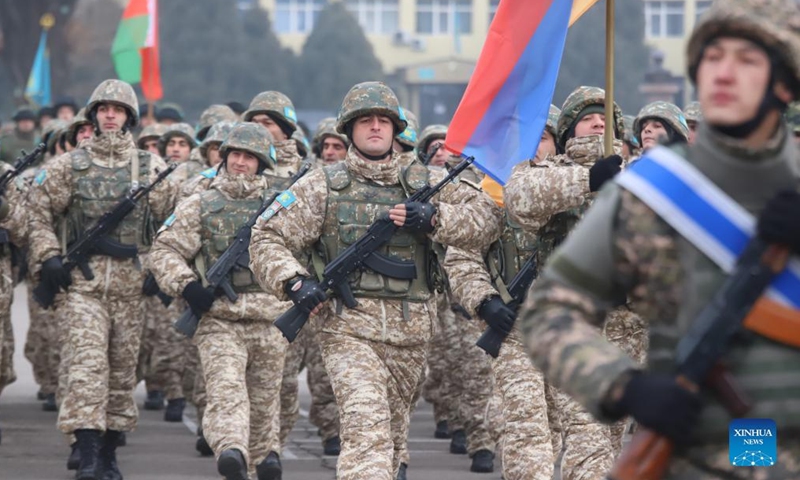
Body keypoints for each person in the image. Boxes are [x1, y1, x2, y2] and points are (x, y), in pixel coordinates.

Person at [519, 1, 800, 478]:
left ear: (784, 82)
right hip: (688, 450)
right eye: (712, 58)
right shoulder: (654, 192)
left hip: (773, 443)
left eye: (746, 60)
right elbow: (549, 313)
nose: (723, 74)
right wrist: (623, 387)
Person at [249, 81, 502, 480]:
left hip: (411, 331)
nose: (375, 127)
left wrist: (436, 219)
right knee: (366, 430)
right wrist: (294, 282)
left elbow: (487, 219)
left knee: (394, 438)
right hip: (347, 330)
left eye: (383, 120)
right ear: (349, 129)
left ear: (395, 129)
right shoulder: (323, 185)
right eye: (365, 120)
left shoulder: (426, 180)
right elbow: (267, 236)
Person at [27, 79, 177, 480]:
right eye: (104, 109)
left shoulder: (150, 169)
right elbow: (38, 214)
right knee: (85, 367)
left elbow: (175, 227)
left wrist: (158, 270)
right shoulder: (69, 167)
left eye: (118, 109)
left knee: (121, 372)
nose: (111, 115)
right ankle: (88, 452)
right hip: (83, 288)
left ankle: (110, 452)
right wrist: (49, 257)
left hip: (130, 288)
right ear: (93, 115)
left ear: (129, 115)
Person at [150, 122, 287, 480]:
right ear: (224, 158)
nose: (241, 162)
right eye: (235, 154)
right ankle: (230, 450)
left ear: (262, 163)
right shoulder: (201, 203)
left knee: (264, 400)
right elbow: (164, 250)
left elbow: (306, 253)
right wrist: (187, 285)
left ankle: (266, 456)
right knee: (226, 392)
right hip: (219, 320)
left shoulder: (280, 206)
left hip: (270, 319)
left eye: (250, 157)